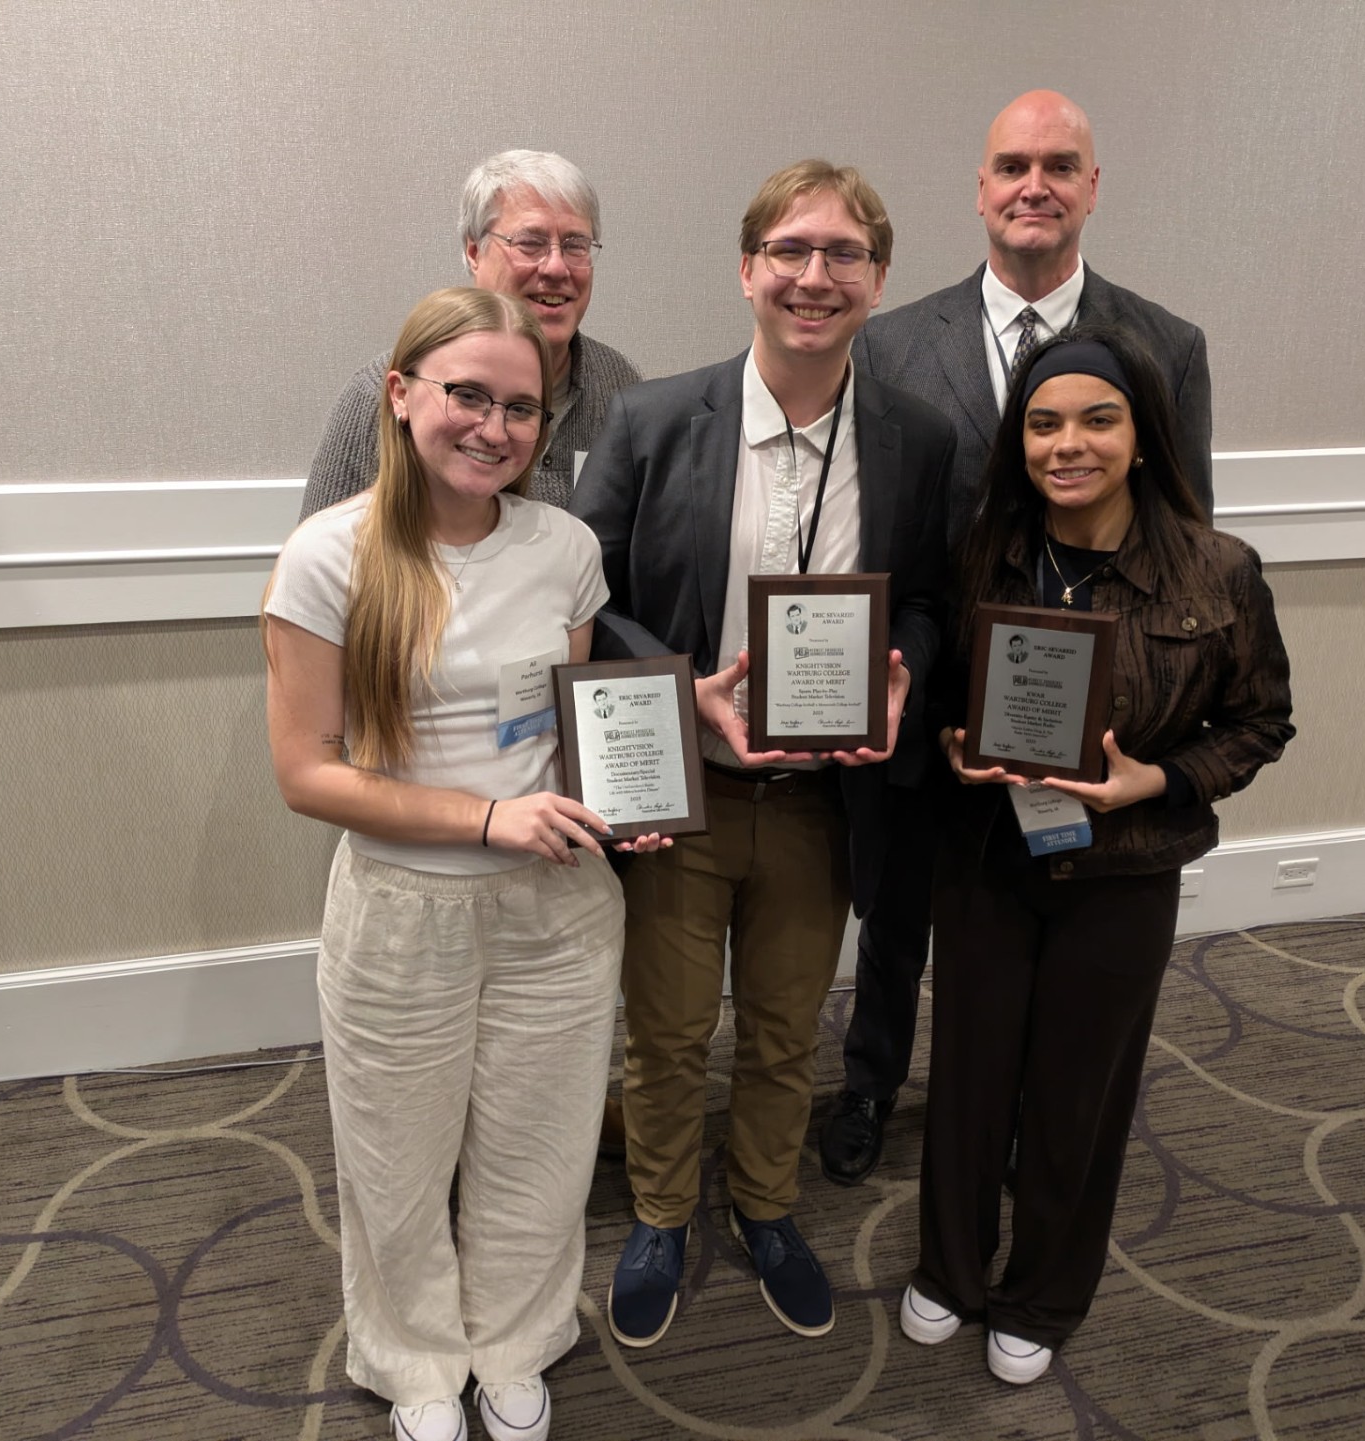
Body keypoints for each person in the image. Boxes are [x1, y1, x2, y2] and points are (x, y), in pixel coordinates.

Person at [265, 288, 660, 1441]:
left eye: (523, 408)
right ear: (402, 397)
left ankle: (519, 1338)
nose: (494, 427)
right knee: (397, 1153)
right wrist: (485, 823)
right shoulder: (329, 556)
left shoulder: (567, 548)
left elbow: (571, 728)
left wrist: (661, 753)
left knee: (538, 1143)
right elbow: (306, 773)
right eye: (468, 396)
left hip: (558, 909)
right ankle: (419, 1361)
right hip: (405, 912)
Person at [571, 160, 953, 1348]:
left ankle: (769, 1206)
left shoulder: (918, 438)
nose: (813, 276)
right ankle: (664, 1212)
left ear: (878, 281)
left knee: (790, 1028)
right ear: (747, 271)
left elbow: (932, 601)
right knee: (670, 1028)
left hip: (824, 801)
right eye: (790, 250)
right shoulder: (650, 418)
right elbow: (586, 595)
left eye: (843, 254)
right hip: (685, 787)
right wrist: (687, 690)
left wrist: (905, 675)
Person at [823, 88, 1217, 1186]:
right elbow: (864, 529)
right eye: (1010, 165)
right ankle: (869, 1078)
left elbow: (1186, 537)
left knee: (1042, 915)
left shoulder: (1167, 345)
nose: (1032, 185)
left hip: (1077, 708)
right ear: (981, 190)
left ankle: (1014, 1100)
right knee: (896, 907)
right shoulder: (890, 343)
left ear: (1094, 186)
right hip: (925, 691)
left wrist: (1145, 715)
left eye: (1058, 164)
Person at [899, 328, 1292, 1385]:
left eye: (1096, 418)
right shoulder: (983, 549)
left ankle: (1042, 1291)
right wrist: (948, 739)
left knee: (1080, 1089)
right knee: (971, 1076)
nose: (1067, 444)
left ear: (1143, 435)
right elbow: (940, 693)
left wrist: (1152, 781)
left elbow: (1261, 725)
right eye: (1042, 422)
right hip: (989, 856)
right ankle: (948, 1266)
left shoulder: (1217, 571)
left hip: (1123, 872)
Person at [300, 150, 642, 520]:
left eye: (575, 245)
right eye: (531, 242)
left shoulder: (621, 390)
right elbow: (327, 556)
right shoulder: (384, 395)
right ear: (474, 251)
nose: (557, 267)